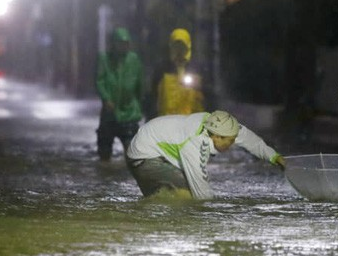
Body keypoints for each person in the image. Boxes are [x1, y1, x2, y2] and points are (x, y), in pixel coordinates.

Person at [125, 110, 285, 199]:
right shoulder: (194, 144)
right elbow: (201, 189)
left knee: (166, 197)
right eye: (229, 142)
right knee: (186, 195)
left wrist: (274, 157)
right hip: (143, 158)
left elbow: (250, 140)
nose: (231, 145)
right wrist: (212, 215)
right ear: (215, 136)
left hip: (159, 150)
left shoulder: (222, 124)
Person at [95, 27, 144, 162]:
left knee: (133, 153)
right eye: (120, 43)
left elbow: (140, 84)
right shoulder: (105, 59)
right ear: (114, 44)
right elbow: (99, 81)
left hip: (129, 112)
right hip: (109, 113)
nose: (123, 47)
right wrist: (106, 99)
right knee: (104, 152)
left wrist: (139, 104)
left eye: (126, 43)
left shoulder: (134, 60)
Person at [150, 28, 207, 118]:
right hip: (167, 123)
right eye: (176, 46)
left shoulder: (197, 70)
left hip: (191, 123)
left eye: (182, 46)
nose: (179, 50)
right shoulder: (162, 69)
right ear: (171, 47)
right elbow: (153, 97)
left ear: (188, 47)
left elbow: (209, 95)